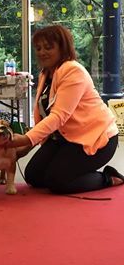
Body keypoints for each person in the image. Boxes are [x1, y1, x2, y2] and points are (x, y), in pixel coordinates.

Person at [8, 24, 124, 194]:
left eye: (48, 47)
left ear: (63, 48)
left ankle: (108, 178)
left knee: (58, 182)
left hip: (95, 138)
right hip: (65, 138)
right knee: (33, 176)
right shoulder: (45, 74)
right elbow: (46, 116)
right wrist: (26, 147)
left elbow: (58, 117)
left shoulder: (72, 70)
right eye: (38, 48)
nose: (41, 52)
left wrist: (26, 139)